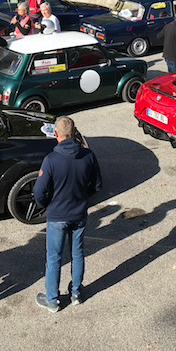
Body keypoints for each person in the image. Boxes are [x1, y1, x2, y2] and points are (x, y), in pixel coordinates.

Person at [33, 116, 102, 312]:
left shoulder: (51, 160)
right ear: (74, 132)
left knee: (54, 258)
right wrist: (82, 198)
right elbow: (97, 185)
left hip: (57, 216)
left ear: (55, 133)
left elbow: (39, 192)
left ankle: (52, 299)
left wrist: (48, 205)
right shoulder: (88, 155)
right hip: (79, 214)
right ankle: (76, 293)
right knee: (77, 253)